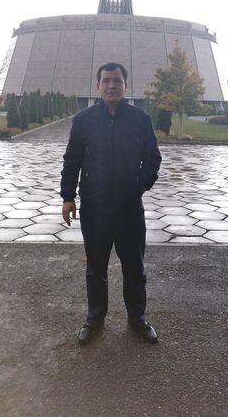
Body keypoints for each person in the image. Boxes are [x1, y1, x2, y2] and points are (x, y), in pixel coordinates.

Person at [60, 62, 162, 345]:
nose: (111, 86)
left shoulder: (140, 119)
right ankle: (95, 319)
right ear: (98, 86)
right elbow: (72, 160)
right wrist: (67, 196)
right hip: (95, 209)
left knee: (134, 268)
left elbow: (153, 158)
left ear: (125, 86)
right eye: (106, 81)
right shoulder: (84, 120)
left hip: (129, 209)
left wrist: (139, 186)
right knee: (96, 268)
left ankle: (137, 319)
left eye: (117, 81)